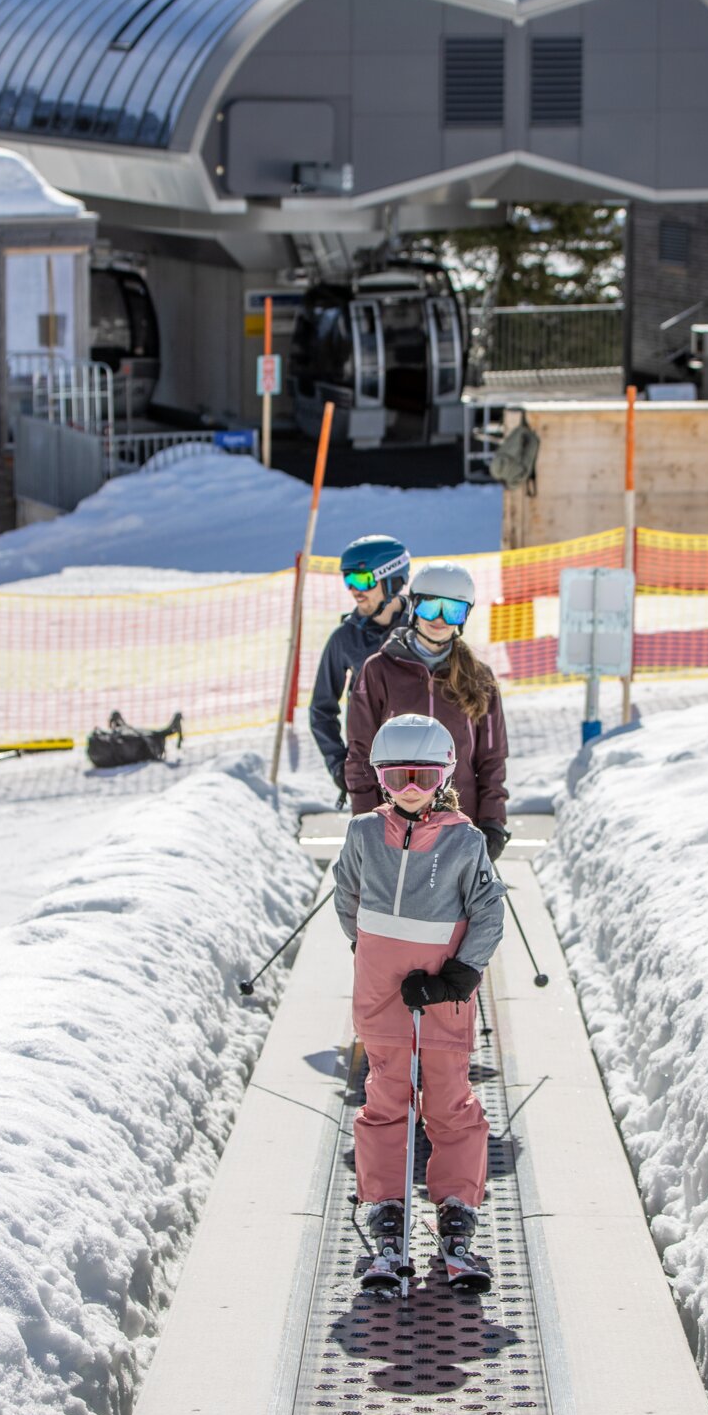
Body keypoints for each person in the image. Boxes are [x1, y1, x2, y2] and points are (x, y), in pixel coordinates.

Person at [332, 711, 505, 1296]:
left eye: (424, 778)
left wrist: (459, 974)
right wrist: (370, 953)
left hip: (442, 998)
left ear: (445, 776)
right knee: (385, 1099)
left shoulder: (464, 840)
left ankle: (456, 1210)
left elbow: (488, 911)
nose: (411, 789)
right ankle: (386, 1205)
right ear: (380, 778)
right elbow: (347, 897)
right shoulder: (362, 834)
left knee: (450, 1100)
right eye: (398, 777)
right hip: (383, 998)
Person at [344, 560, 510, 862]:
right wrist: (366, 822)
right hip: (393, 827)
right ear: (414, 607)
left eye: (454, 610)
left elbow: (492, 759)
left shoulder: (478, 677)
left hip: (460, 829)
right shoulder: (379, 670)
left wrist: (492, 822)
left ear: (465, 616)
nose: (441, 619)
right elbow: (360, 754)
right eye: (431, 607)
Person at [309, 534, 409, 802]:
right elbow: (321, 708)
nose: (355, 590)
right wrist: (339, 765)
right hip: (369, 775)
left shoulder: (425, 627)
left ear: (392, 578)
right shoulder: (344, 638)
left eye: (363, 579)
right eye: (348, 580)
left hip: (425, 769)